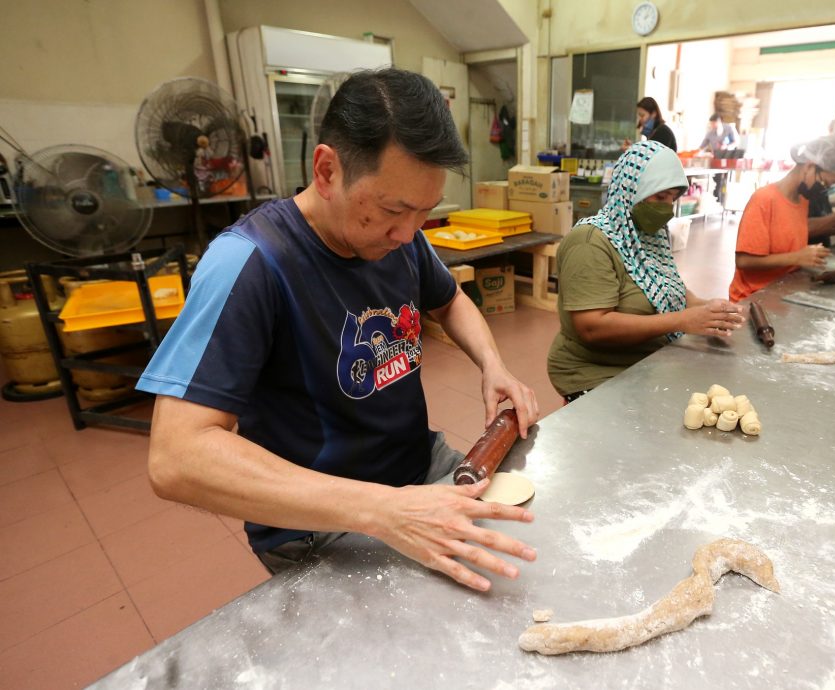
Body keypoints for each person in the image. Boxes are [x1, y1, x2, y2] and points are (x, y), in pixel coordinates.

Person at [136, 68, 540, 593]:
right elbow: (176, 458)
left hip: (414, 467)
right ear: (326, 170)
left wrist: (493, 365)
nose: (408, 233)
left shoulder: (401, 236)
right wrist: (384, 510)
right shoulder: (251, 263)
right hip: (318, 525)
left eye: (425, 212)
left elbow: (450, 300)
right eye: (394, 209)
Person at [548, 140, 744, 401]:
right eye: (660, 197)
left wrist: (710, 309)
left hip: (646, 360)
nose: (667, 208)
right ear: (632, 189)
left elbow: (671, 289)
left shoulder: (649, 235)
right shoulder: (590, 242)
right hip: (597, 370)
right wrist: (683, 320)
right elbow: (592, 327)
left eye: (673, 199)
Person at [729, 134, 835, 302]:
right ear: (809, 167)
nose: (825, 189)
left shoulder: (802, 200)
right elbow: (744, 260)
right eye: (826, 182)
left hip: (783, 289)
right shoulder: (765, 199)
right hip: (753, 297)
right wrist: (797, 257)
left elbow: (793, 230)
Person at [698, 114, 739, 202]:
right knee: (717, 181)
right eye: (711, 124)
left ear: (719, 122)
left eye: (714, 123)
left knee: (727, 181)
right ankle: (718, 200)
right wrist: (697, 153)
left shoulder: (729, 129)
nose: (713, 126)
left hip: (729, 158)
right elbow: (702, 146)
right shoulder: (710, 133)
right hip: (717, 159)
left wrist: (727, 146)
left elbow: (736, 142)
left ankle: (726, 201)